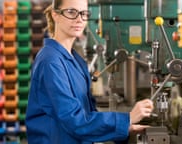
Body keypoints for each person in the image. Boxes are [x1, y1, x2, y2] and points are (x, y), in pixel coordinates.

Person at [25, 0, 154, 143]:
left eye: (83, 13)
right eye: (71, 12)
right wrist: (128, 118)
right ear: (56, 15)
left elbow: (88, 114)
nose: (79, 19)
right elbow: (75, 121)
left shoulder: (76, 60)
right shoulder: (50, 61)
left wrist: (124, 129)